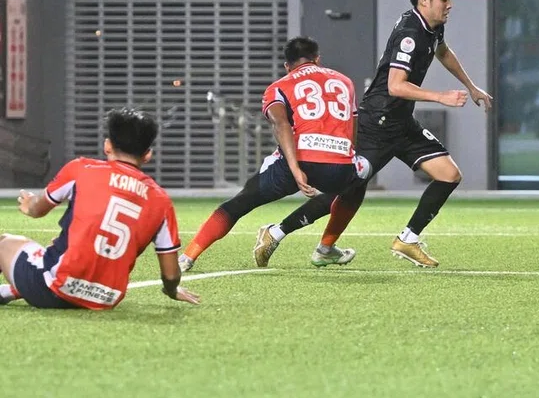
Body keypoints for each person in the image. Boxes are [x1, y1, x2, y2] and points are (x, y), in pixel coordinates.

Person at [254, 0, 492, 269]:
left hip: (402, 125)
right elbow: (395, 85)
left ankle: (408, 239)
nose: (450, 4)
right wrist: (441, 96)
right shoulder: (410, 34)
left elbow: (443, 52)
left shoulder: (432, 27)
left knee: (448, 174)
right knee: (344, 188)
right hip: (376, 126)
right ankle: (275, 233)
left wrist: (471, 87)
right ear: (424, 0)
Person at [178, 36, 369, 272]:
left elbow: (281, 125)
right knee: (355, 186)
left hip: (299, 161)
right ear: (317, 59)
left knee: (240, 203)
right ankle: (325, 248)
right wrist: (347, 160)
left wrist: (296, 169)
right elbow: (353, 127)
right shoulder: (344, 81)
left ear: (287, 65)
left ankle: (188, 256)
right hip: (340, 163)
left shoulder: (279, 86)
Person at [0, 108, 199, 310]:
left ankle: (26, 285)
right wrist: (171, 290)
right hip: (104, 299)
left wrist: (29, 204)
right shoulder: (161, 200)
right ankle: (8, 292)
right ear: (147, 155)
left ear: (107, 145)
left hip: (54, 288)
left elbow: (37, 210)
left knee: (4, 242)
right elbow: (171, 274)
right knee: (63, 248)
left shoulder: (82, 169)